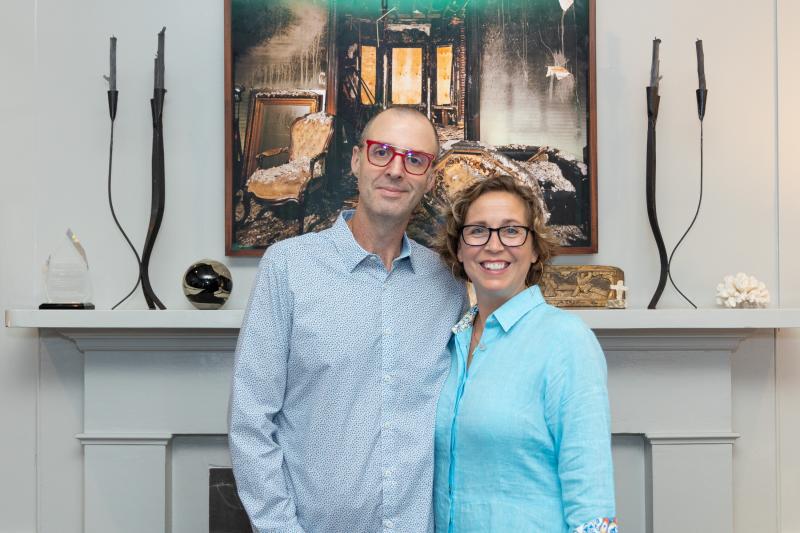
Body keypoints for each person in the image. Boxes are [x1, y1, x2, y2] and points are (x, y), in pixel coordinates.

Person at [229, 107, 467, 533]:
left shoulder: (447, 283)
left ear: (430, 179)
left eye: (415, 159)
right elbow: (251, 421)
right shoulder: (288, 267)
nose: (396, 170)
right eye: (382, 152)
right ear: (357, 161)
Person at [433, 174, 617, 533]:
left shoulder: (566, 341)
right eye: (477, 231)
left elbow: (591, 493)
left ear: (534, 250)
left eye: (511, 231)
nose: (494, 245)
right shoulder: (449, 344)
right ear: (459, 249)